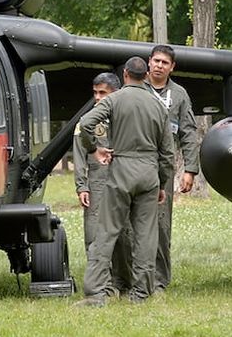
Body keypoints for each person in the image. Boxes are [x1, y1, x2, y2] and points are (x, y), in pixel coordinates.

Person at [75, 57, 174, 306]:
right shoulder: (158, 105)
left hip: (121, 171)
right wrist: (162, 184)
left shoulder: (114, 99)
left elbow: (86, 123)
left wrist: (95, 148)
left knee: (106, 233)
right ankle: (141, 294)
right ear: (146, 75)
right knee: (146, 237)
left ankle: (97, 293)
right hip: (149, 172)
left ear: (126, 74)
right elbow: (168, 154)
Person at [144, 44, 200, 292]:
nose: (159, 66)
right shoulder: (135, 88)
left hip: (163, 168)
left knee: (161, 224)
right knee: (129, 223)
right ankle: (131, 278)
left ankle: (159, 281)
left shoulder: (179, 94)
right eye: (156, 61)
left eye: (164, 63)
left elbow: (188, 132)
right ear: (149, 62)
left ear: (172, 67)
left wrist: (190, 169)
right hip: (133, 164)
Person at [74, 72, 121, 253]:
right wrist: (82, 186)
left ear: (115, 93)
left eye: (103, 93)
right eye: (95, 93)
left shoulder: (125, 118)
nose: (97, 97)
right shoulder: (87, 122)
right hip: (97, 182)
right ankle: (96, 270)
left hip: (123, 179)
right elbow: (79, 155)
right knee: (93, 228)